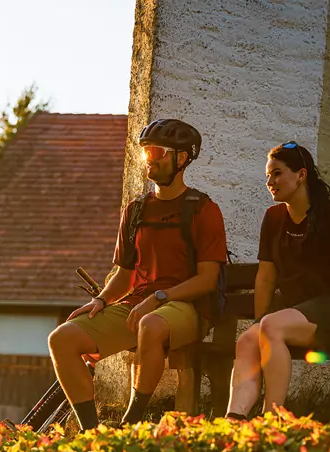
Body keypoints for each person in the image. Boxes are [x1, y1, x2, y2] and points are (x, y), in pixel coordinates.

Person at [47, 119, 229, 429]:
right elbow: (124, 273)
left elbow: (207, 280)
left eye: (156, 151)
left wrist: (160, 297)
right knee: (61, 338)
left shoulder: (203, 209)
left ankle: (130, 423)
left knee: (150, 324)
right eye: (145, 151)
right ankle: (92, 433)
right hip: (140, 306)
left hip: (188, 307)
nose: (149, 158)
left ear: (181, 158)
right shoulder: (136, 210)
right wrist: (102, 300)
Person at [225, 141, 330, 419]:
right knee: (247, 340)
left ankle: (272, 418)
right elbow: (266, 278)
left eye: (278, 173)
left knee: (271, 325)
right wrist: (259, 324)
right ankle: (235, 418)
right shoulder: (273, 218)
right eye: (268, 175)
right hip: (294, 315)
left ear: (301, 175)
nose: (270, 181)